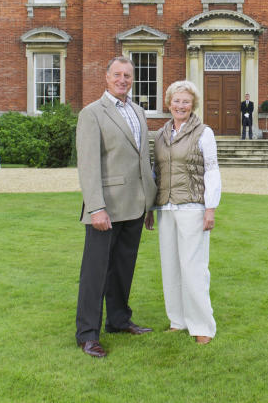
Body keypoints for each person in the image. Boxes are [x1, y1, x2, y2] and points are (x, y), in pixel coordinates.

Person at [74, 56, 157, 358]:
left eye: (128, 75)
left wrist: (149, 203)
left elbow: (142, 159)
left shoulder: (137, 111)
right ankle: (87, 334)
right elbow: (88, 164)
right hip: (106, 208)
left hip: (135, 206)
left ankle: (119, 320)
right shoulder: (92, 113)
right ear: (106, 77)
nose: (123, 80)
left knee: (123, 268)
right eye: (117, 75)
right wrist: (96, 207)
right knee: (96, 273)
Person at [145, 80, 221, 345]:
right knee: (170, 266)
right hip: (165, 207)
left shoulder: (204, 133)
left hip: (192, 206)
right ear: (168, 103)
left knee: (194, 268)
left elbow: (211, 170)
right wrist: (150, 208)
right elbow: (156, 173)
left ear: (193, 105)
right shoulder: (161, 134)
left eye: (186, 101)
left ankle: (202, 326)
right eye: (176, 101)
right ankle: (177, 320)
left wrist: (210, 207)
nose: (180, 105)